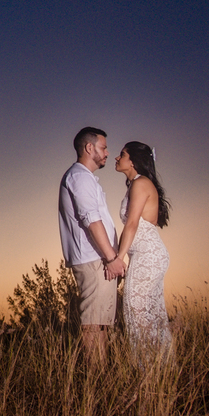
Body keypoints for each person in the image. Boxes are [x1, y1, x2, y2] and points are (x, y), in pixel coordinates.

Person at [58, 126, 125, 358]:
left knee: (102, 324)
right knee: (94, 324)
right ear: (89, 147)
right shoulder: (78, 176)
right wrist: (111, 257)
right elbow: (91, 219)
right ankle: (95, 384)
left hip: (99, 259)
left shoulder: (86, 178)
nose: (107, 153)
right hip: (94, 259)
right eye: (103, 147)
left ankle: (101, 381)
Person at [114, 141, 172, 358]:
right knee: (148, 313)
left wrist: (118, 259)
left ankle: (150, 369)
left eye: (122, 154)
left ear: (133, 161)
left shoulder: (141, 183)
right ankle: (159, 370)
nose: (117, 158)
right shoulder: (136, 185)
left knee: (136, 311)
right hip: (145, 255)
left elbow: (131, 225)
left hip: (148, 255)